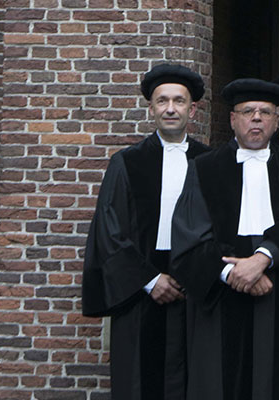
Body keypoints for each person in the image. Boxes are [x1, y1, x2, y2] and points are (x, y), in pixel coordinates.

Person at [169, 78, 279, 400]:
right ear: (232, 119)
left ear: (276, 121)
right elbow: (189, 232)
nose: (256, 118)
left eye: (265, 112)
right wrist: (232, 273)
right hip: (220, 295)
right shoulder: (204, 167)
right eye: (248, 111)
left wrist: (263, 258)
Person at [83, 63, 210, 400]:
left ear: (192, 109)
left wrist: (196, 272)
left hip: (195, 291)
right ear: (151, 108)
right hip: (140, 291)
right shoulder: (127, 162)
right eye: (162, 101)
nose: (171, 109)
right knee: (140, 382)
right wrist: (151, 280)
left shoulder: (211, 162)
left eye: (179, 101)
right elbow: (110, 231)